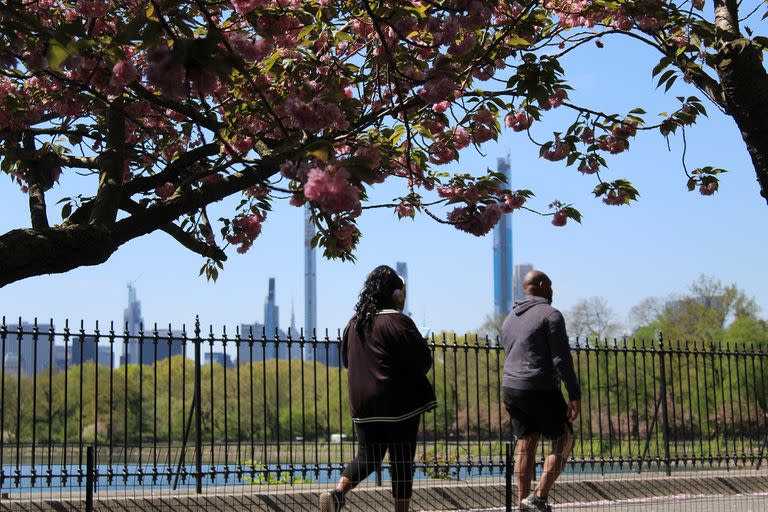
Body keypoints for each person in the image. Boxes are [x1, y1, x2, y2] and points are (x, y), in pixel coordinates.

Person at [320, 265, 437, 512]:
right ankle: (401, 510)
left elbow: (347, 361)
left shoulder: (354, 324)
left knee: (368, 456)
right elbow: (423, 360)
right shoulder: (398, 321)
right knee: (402, 458)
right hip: (398, 404)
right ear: (396, 295)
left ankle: (338, 492)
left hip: (362, 403)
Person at [501, 270, 581, 512]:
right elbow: (561, 359)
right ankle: (538, 497)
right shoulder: (551, 314)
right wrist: (574, 394)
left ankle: (522, 504)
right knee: (564, 439)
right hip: (540, 386)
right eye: (552, 286)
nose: (553, 291)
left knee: (526, 445)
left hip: (511, 388)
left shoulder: (509, 318)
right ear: (543, 285)